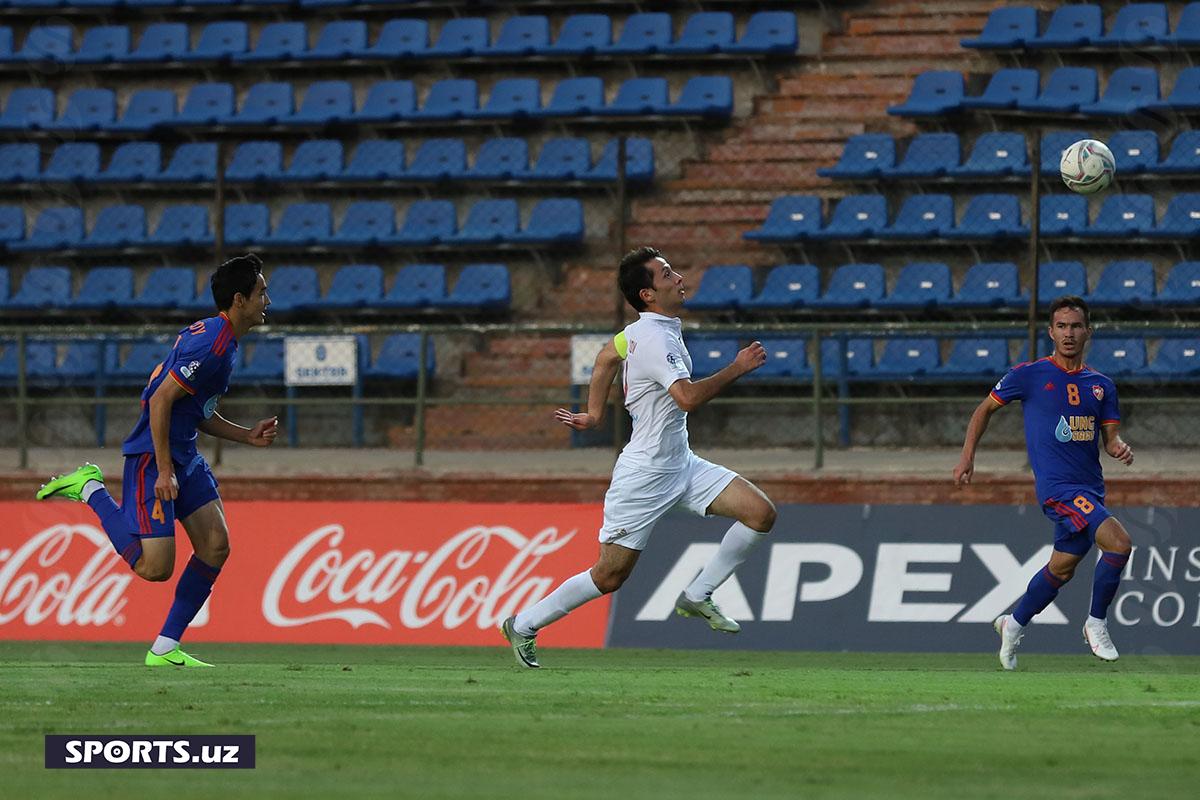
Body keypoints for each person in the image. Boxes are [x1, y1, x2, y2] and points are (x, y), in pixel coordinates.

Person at [501, 246, 777, 668]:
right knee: (609, 576)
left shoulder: (641, 331)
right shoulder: (653, 338)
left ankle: (698, 594)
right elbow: (685, 398)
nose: (678, 277)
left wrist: (595, 414)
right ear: (648, 294)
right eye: (667, 275)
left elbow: (606, 356)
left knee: (760, 513)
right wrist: (736, 368)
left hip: (681, 463)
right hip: (645, 475)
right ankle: (523, 624)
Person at [36, 253, 278, 667]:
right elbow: (161, 400)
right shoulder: (213, 342)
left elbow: (193, 407)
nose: (267, 301)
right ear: (239, 299)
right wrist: (164, 471)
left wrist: (244, 435)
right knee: (154, 568)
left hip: (183, 451)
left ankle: (165, 648)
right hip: (154, 456)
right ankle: (90, 488)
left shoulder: (223, 340)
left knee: (216, 545)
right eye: (261, 292)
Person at [953, 296, 1134, 670]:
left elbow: (1110, 437)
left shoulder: (1101, 385)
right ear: (1051, 332)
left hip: (1090, 488)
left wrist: (1117, 446)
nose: (1069, 333)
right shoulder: (1029, 374)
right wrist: (968, 455)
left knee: (1062, 569)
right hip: (1058, 490)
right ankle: (1095, 624)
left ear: (1088, 332)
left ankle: (1013, 623)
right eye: (1062, 326)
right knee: (1118, 543)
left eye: (1076, 326)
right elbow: (983, 409)